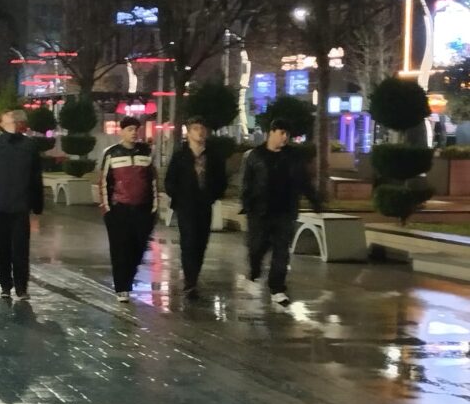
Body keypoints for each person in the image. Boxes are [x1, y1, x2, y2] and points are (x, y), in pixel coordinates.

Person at [240, 118, 322, 306]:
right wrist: (247, 203)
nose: (285, 137)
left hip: (285, 211)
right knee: (257, 247)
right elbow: (247, 182)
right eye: (282, 133)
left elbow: (303, 180)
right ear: (272, 132)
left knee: (281, 251)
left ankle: (277, 288)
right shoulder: (256, 155)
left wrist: (314, 200)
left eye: (287, 134)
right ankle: (254, 270)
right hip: (260, 212)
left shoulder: (293, 157)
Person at [0, 109, 44, 300]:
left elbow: (35, 176)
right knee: (3, 247)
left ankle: (21, 287)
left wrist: (37, 203)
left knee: (20, 248)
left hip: (20, 205)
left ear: (16, 124)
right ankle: (5, 286)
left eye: (5, 120)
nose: (1, 123)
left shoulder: (29, 146)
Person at [164, 117, 228, 300]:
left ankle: (193, 276)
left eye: (202, 128)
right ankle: (190, 282)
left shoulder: (213, 156)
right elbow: (170, 181)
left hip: (205, 206)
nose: (200, 132)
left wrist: (212, 195)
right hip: (186, 207)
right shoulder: (180, 156)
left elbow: (221, 180)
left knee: (201, 243)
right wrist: (179, 197)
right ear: (189, 132)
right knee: (188, 242)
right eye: (195, 128)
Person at [98, 116, 157, 303]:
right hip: (119, 210)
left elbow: (153, 181)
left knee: (138, 248)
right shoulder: (112, 154)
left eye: (136, 129)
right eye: (130, 129)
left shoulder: (145, 152)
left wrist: (154, 207)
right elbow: (104, 182)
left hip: (142, 210)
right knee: (120, 249)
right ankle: (122, 287)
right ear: (121, 131)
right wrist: (107, 210)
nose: (134, 133)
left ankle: (129, 278)